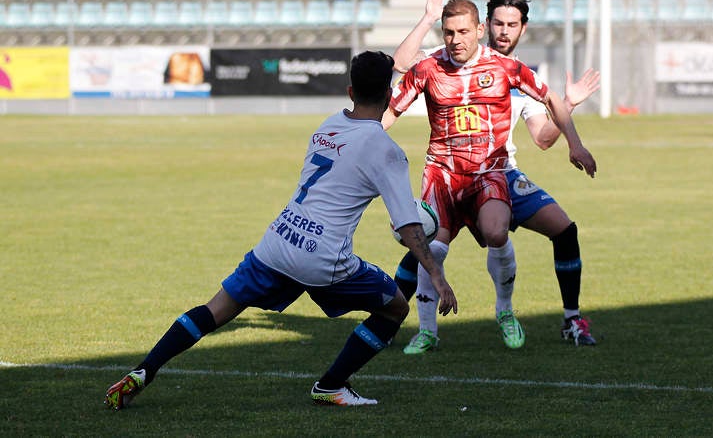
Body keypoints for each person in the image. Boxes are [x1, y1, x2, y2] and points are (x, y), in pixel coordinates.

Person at [103, 51, 457, 410]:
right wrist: (436, 275)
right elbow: (408, 225)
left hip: (278, 241)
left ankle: (144, 370)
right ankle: (331, 385)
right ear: (389, 94)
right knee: (394, 309)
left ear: (350, 91)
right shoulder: (387, 150)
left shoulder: (327, 125)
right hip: (323, 258)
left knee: (216, 309)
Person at [381, 0, 596, 355]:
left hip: (497, 171)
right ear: (488, 24)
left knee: (530, 230)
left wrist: (572, 125)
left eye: (511, 24)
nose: (504, 31)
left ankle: (525, 313)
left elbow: (544, 134)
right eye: (499, 22)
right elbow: (396, 82)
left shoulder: (512, 71)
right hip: (443, 175)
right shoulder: (432, 63)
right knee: (429, 248)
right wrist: (355, 139)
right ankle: (415, 327)